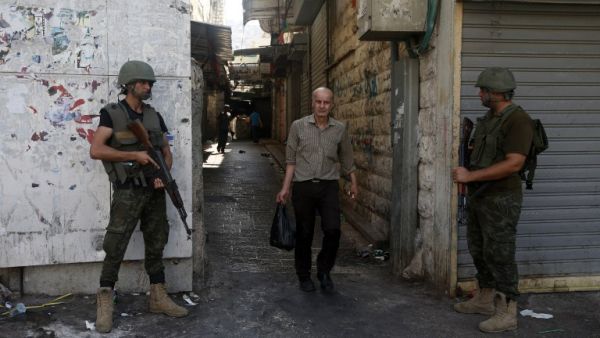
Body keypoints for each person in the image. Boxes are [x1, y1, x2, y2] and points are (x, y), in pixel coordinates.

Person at [90, 60, 188, 333]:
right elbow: (97, 150)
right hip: (128, 192)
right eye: (144, 83)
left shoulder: (154, 116)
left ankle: (157, 296)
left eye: (151, 83)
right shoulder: (111, 114)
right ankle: (106, 297)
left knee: (157, 239)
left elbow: (166, 152)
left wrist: (162, 173)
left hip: (154, 191)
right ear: (129, 85)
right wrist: (133, 155)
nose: (148, 87)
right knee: (116, 242)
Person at [452, 67, 533, 333]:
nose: (479, 94)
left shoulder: (518, 120)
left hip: (501, 199)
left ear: (496, 92)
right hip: (480, 196)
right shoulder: (489, 118)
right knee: (479, 249)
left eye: (483, 90)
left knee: (500, 254)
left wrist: (471, 176)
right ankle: (485, 300)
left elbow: (514, 164)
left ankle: (507, 311)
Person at [276, 87, 358, 293]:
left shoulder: (339, 129)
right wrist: (285, 188)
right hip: (303, 186)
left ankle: (324, 270)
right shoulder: (298, 127)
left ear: (332, 104)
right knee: (305, 233)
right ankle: (303, 275)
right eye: (319, 102)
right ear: (312, 103)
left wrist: (353, 182)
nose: (322, 106)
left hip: (328, 186)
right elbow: (291, 161)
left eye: (326, 102)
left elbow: (347, 159)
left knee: (333, 230)